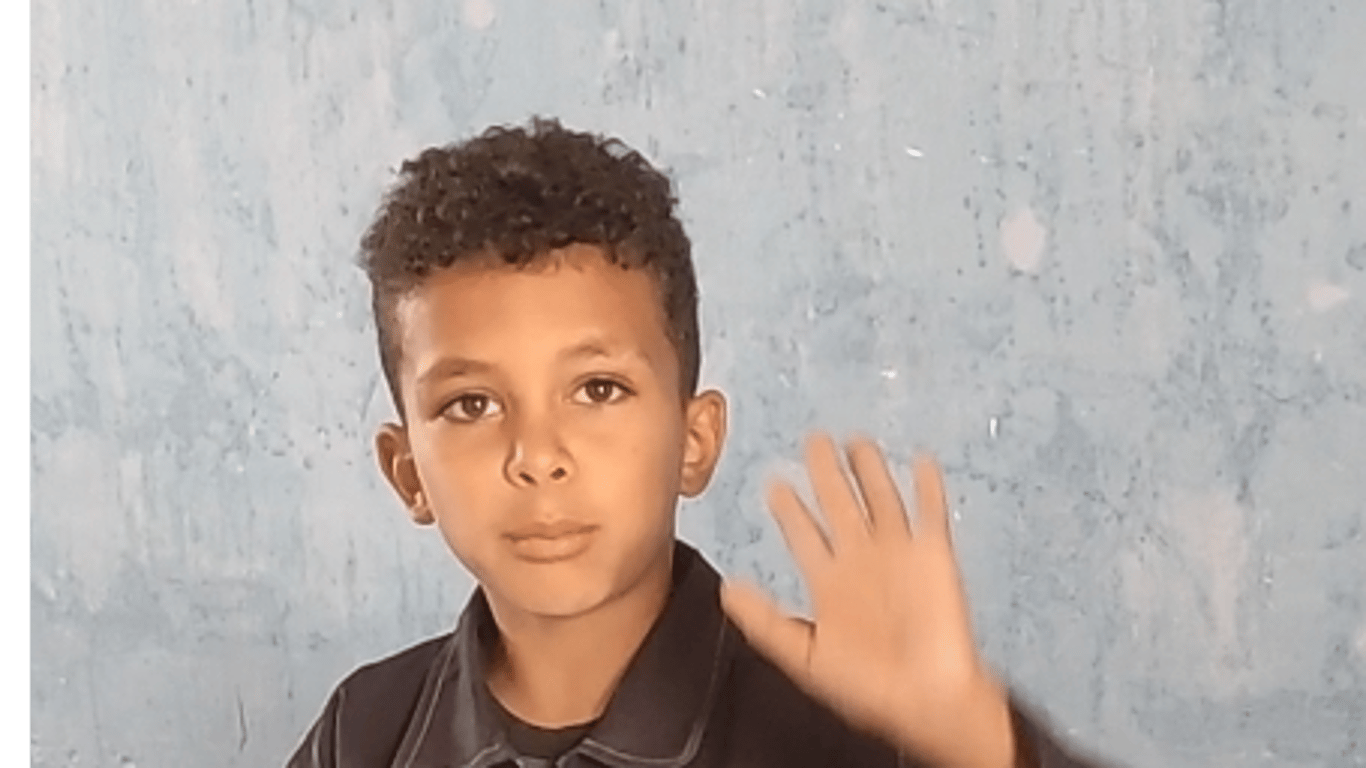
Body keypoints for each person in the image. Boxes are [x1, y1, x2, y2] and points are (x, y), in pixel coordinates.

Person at [286, 118, 1112, 768]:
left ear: (694, 439)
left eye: (598, 390)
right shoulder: (367, 732)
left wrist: (974, 737)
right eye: (471, 404)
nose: (536, 455)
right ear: (407, 473)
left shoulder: (852, 726)